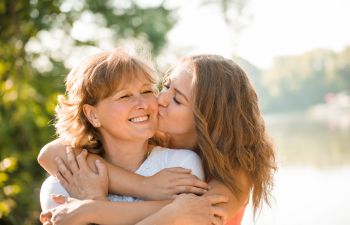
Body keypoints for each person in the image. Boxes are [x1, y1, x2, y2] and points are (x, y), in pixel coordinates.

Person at [38, 54, 276, 225]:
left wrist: (93, 208)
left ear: (208, 119)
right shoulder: (154, 139)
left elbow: (197, 214)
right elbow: (50, 154)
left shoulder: (235, 169)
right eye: (166, 86)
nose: (160, 100)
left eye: (177, 100)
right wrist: (146, 186)